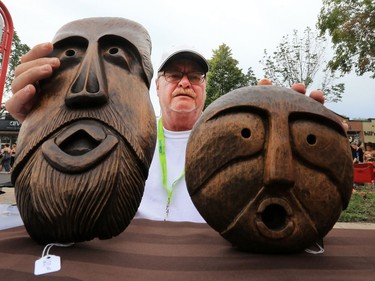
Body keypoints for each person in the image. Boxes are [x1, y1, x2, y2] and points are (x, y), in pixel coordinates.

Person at [6, 43, 326, 223]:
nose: (185, 83)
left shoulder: (236, 144)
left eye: (195, 76)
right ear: (156, 87)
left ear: (204, 88)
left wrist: (300, 144)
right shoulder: (121, 137)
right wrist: (38, 126)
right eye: (174, 75)